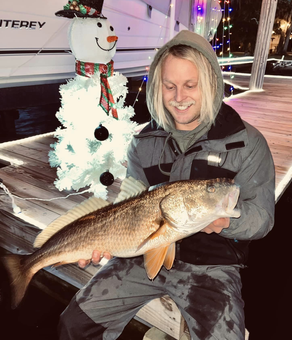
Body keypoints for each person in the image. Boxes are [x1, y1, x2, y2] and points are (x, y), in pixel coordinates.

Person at [58, 30, 275, 340]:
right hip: (142, 255)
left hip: (212, 267)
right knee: (74, 324)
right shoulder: (143, 142)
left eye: (190, 85)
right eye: (169, 86)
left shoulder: (247, 143)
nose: (179, 98)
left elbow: (263, 217)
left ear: (211, 85)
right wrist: (99, 242)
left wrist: (227, 221)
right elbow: (129, 205)